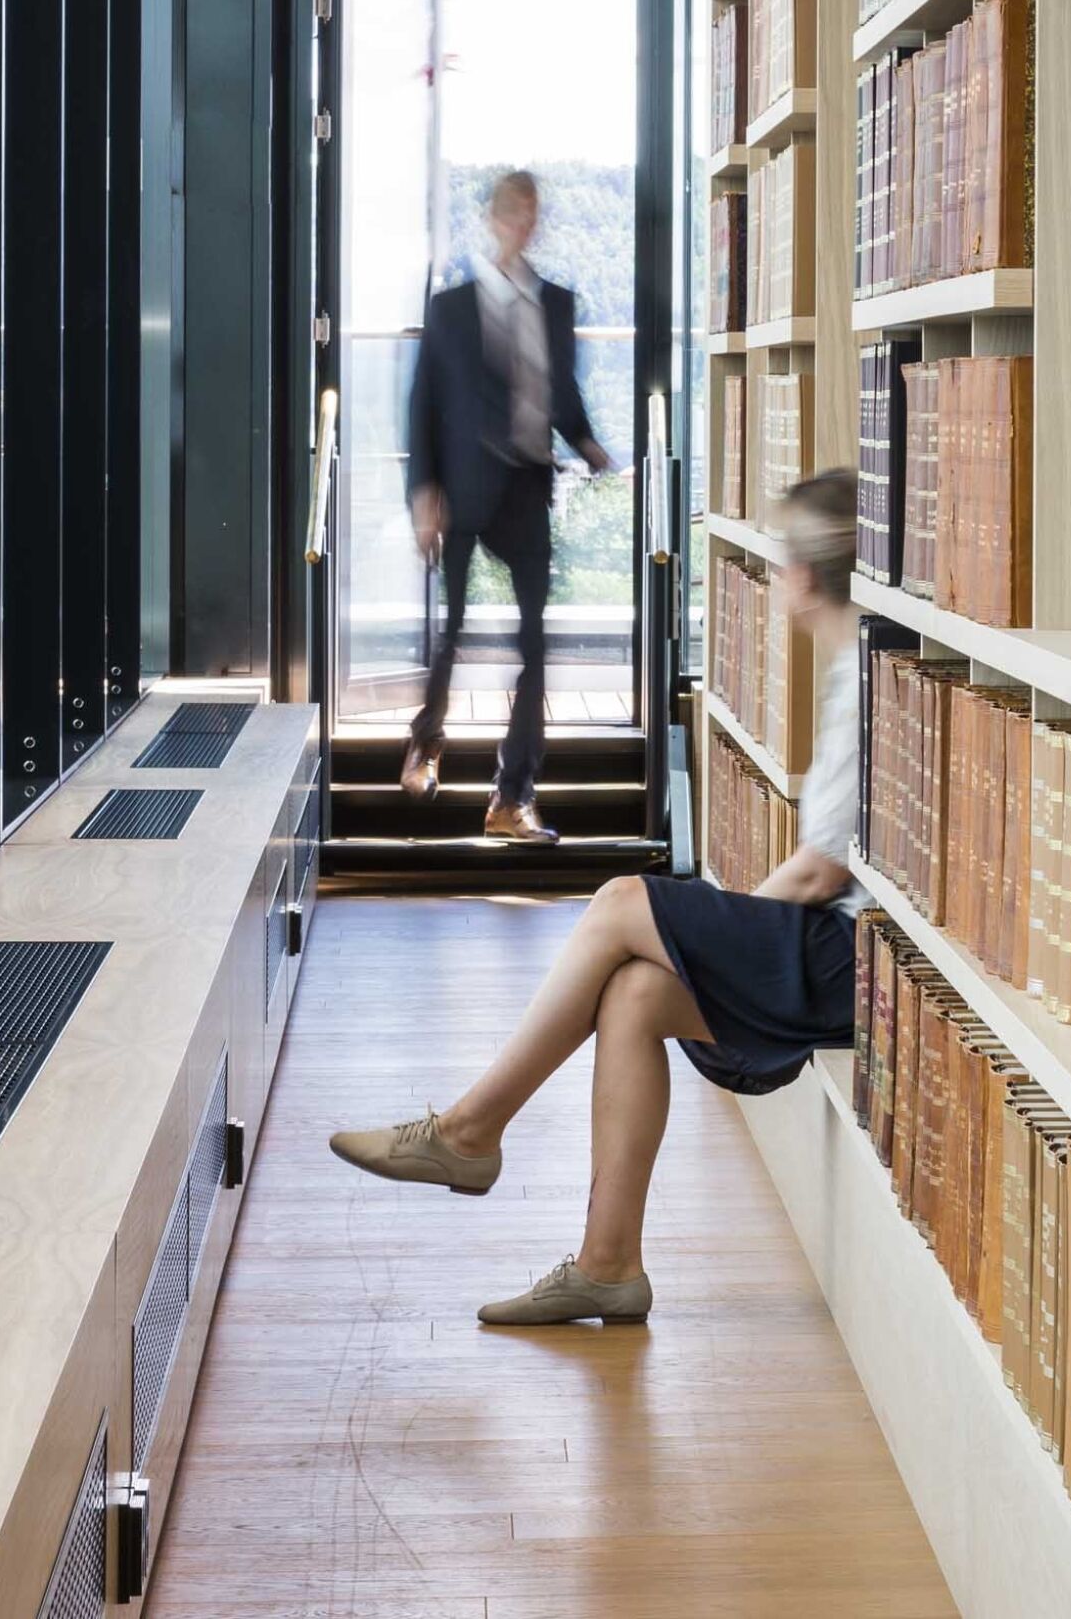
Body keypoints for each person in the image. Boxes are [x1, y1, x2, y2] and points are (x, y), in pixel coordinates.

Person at [332, 467, 869, 1324]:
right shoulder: (859, 667)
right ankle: (608, 1263)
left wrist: (729, 935)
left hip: (854, 961)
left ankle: (470, 1130)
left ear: (800, 577)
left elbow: (818, 871)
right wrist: (716, 942)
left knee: (625, 899)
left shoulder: (867, 677)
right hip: (844, 950)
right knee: (633, 995)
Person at [400, 168, 614, 845]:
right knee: (453, 626)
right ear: (495, 220)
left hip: (526, 486)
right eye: (515, 211)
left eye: (533, 212)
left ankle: (512, 796)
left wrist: (588, 444)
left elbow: (564, 395)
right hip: (463, 489)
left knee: (534, 643)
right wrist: (423, 493)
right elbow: (423, 405)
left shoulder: (556, 303)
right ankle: (426, 742)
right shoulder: (452, 307)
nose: (525, 222)